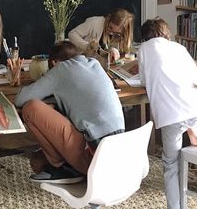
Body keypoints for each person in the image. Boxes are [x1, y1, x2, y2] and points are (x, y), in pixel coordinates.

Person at [14, 40, 125, 184]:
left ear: (53, 63)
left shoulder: (60, 70)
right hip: (121, 154)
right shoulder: (94, 64)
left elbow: (20, 100)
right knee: (39, 160)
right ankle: (66, 167)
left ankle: (63, 169)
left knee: (31, 108)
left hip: (96, 160)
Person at [138, 17, 197, 209]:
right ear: (166, 33)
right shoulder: (178, 48)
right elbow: (196, 77)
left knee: (170, 164)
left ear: (145, 37)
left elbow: (143, 81)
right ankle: (192, 127)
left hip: (170, 116)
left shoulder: (144, 50)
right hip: (195, 106)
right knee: (196, 105)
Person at [68, 8, 135, 57]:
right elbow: (72, 34)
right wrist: (87, 46)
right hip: (83, 59)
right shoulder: (94, 23)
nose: (111, 33)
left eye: (116, 33)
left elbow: (106, 49)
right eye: (110, 27)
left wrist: (112, 51)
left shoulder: (119, 35)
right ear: (109, 18)